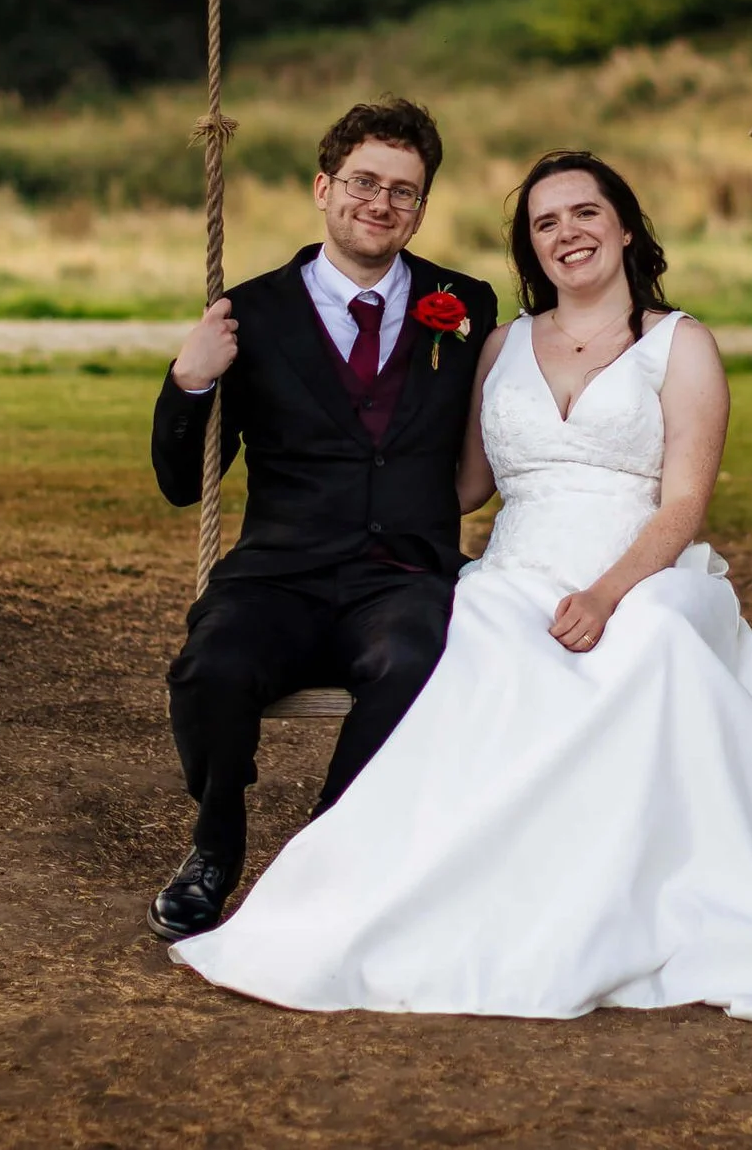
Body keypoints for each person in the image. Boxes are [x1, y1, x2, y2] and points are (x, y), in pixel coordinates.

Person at [168, 151, 752, 1029]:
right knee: (471, 642)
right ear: (529, 247)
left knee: (658, 645)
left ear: (626, 224)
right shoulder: (498, 343)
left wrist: (607, 594)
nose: (569, 233)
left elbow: (683, 503)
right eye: (545, 222)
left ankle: (638, 885)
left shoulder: (681, 343)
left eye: (585, 213)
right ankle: (378, 865)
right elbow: (461, 487)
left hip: (641, 573)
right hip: (518, 571)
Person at [147, 99, 499, 942]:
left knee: (416, 658)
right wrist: (188, 380)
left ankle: (328, 843)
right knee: (210, 668)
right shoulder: (250, 312)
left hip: (404, 575)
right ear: (323, 186)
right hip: (281, 572)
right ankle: (216, 840)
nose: (381, 204)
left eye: (404, 192)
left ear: (422, 206)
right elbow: (176, 482)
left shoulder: (467, 303)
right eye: (364, 182)